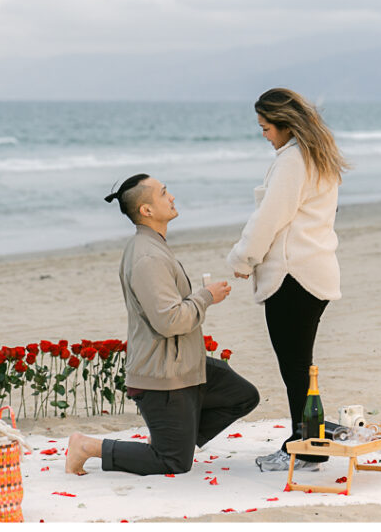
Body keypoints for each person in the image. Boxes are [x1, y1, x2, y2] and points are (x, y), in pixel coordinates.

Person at [65, 174, 259, 476]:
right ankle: (87, 446)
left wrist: (201, 298)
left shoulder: (153, 245)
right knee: (173, 463)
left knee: (243, 396)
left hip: (185, 364)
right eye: (164, 193)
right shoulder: (147, 256)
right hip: (163, 374)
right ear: (146, 210)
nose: (171, 197)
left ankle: (174, 435)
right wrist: (205, 297)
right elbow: (169, 321)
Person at [227, 89, 349, 471]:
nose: (263, 134)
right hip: (316, 270)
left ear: (284, 124)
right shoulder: (316, 155)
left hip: (293, 276)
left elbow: (270, 217)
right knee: (300, 364)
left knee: (294, 366)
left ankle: (307, 443)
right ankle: (311, 433)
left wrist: (243, 258)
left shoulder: (293, 161)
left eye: (265, 127)